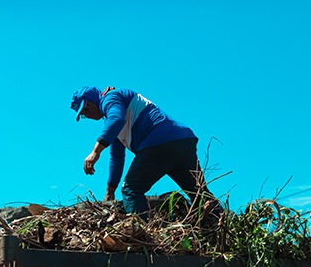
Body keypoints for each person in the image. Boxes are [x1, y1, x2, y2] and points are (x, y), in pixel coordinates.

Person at [70, 86, 222, 218]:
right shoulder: (114, 120)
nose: (87, 116)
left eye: (85, 111)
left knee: (131, 190)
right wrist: (110, 192)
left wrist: (95, 151)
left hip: (160, 142)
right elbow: (117, 157)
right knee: (199, 195)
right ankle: (220, 230)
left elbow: (116, 119)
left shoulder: (110, 98)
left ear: (89, 103)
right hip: (182, 141)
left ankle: (140, 236)